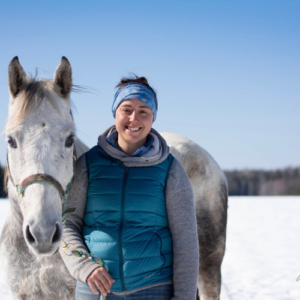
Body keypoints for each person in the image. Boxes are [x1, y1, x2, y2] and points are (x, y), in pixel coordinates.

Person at [60, 76, 199, 300]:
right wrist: (85, 267)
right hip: (95, 290)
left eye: (144, 111)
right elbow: (67, 224)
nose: (134, 118)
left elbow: (186, 241)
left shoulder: (170, 169)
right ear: (115, 113)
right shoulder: (88, 164)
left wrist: (184, 297)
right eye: (127, 109)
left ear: (153, 117)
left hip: (153, 288)